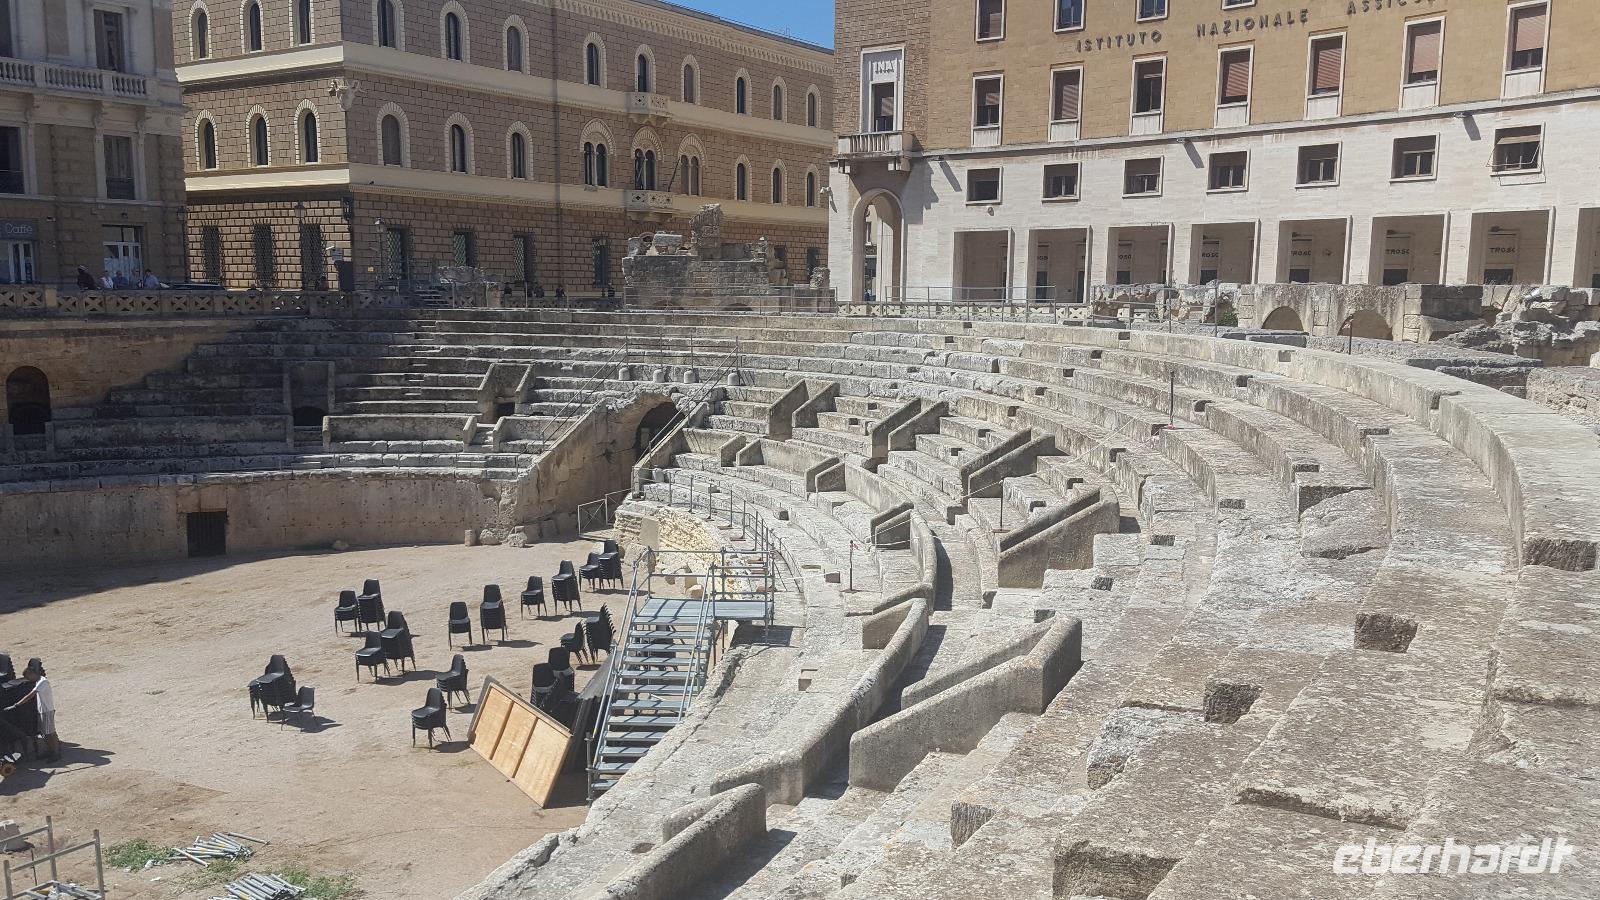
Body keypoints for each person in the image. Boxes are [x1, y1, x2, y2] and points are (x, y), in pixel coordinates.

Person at [5, 659, 57, 761]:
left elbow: (30, 696)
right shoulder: (39, 681)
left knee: (50, 734)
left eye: (28, 677)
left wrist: (16, 705)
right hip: (43, 710)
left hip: (47, 711)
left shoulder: (42, 682)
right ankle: (50, 751)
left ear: (32, 674)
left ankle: (55, 753)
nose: (29, 680)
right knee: (46, 733)